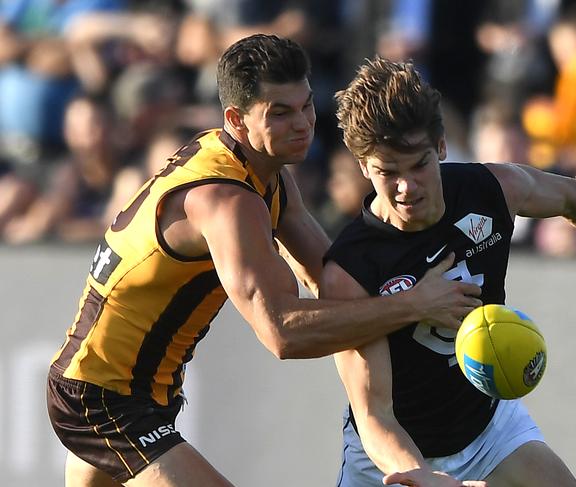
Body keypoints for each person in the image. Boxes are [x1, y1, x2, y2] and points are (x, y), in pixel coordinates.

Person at [45, 35, 483, 487]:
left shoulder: (261, 170)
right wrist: (414, 304)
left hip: (137, 391)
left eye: (306, 106)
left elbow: (332, 275)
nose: (303, 125)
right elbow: (283, 332)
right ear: (236, 119)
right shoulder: (227, 201)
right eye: (280, 113)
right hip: (103, 398)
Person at [322, 56, 576, 487]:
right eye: (387, 172)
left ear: (441, 147)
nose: (407, 187)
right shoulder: (352, 269)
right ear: (363, 167)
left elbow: (573, 198)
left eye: (419, 164)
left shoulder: (488, 190)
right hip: (392, 460)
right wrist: (425, 477)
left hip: (488, 430)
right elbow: (374, 414)